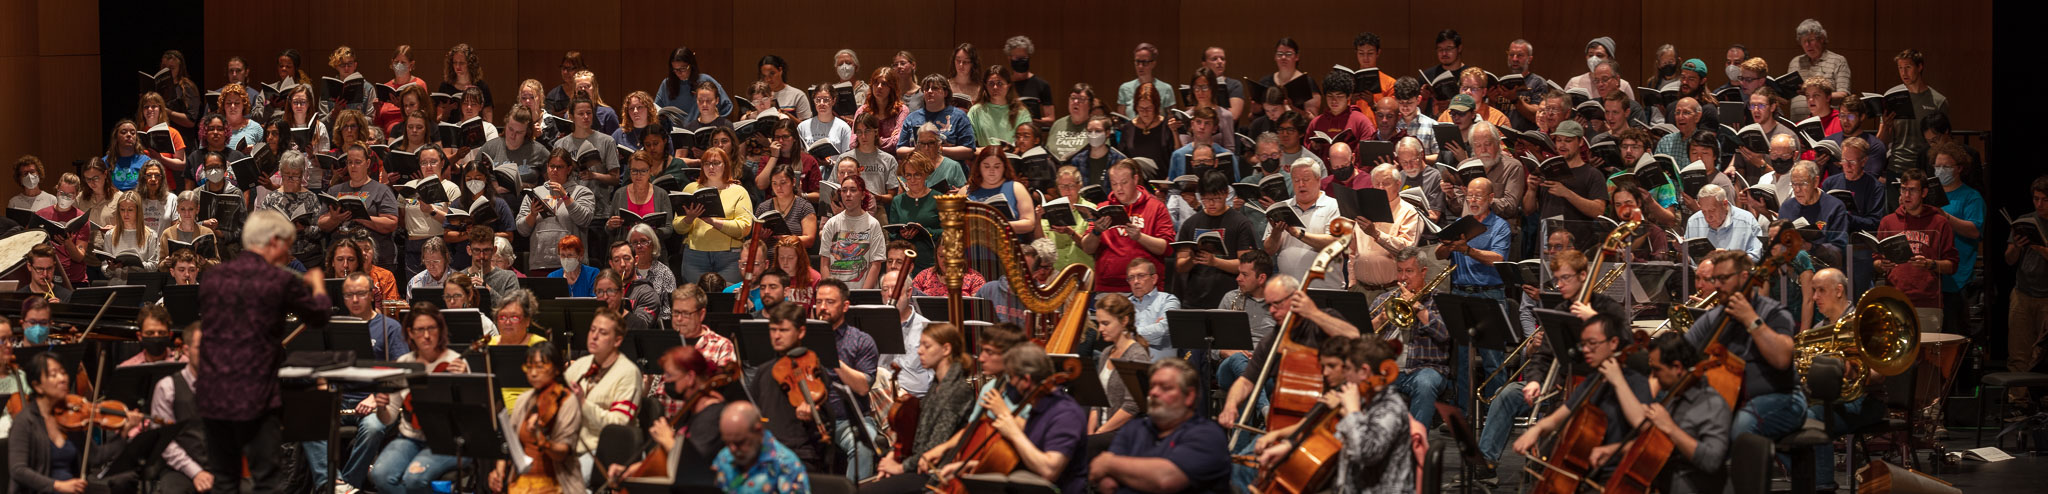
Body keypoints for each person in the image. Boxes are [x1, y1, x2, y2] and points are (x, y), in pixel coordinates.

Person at [199, 209, 330, 493]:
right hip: (255, 395)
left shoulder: (213, 278)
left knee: (223, 480)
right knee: (266, 481)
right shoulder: (279, 280)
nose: (288, 254)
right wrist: (318, 286)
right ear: (273, 241)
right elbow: (319, 316)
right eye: (287, 245)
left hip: (213, 394)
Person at [1510, 310, 1654, 486]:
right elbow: (1558, 417)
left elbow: (1643, 424)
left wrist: (1618, 381)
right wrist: (1537, 429)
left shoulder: (1635, 380)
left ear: (1613, 343)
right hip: (1586, 474)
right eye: (1583, 344)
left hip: (1617, 477)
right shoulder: (1593, 380)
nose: (1585, 350)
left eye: (1592, 344)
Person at [925, 345, 1087, 493]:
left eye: (1011, 377)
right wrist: (969, 466)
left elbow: (1049, 470)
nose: (1008, 386)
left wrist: (1014, 432)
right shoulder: (1038, 407)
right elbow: (1025, 461)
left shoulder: (1066, 414)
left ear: (1026, 380)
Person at [1687, 249, 1802, 440]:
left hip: (1780, 397)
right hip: (1729, 396)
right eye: (1715, 279)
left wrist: (1750, 320)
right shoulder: (1713, 317)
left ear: (1745, 277)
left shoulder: (1774, 312)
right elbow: (1683, 352)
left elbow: (1782, 359)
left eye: (1723, 279)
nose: (1717, 285)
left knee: (1741, 425)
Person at [364, 304, 469, 494]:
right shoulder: (404, 363)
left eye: (431, 328)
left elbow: (469, 415)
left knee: (414, 479)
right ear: (410, 333)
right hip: (410, 438)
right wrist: (381, 407)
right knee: (380, 475)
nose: (426, 336)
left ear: (440, 330)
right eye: (420, 330)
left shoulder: (456, 363)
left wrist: (462, 380)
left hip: (448, 442)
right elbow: (388, 418)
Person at [1089, 357, 1230, 494]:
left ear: (1189, 396)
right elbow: (1105, 481)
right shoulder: (1133, 428)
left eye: (1165, 388)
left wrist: (1109, 463)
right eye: (1152, 386)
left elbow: (1166, 479)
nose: (1154, 393)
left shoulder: (1208, 435)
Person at [9, 352, 144, 494]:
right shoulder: (25, 421)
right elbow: (18, 470)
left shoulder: (71, 415)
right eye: (54, 375)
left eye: (63, 373)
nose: (63, 379)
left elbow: (96, 456)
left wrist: (124, 432)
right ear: (37, 386)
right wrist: (57, 485)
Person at [1628, 332, 1734, 494]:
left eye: (1657, 369)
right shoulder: (1674, 398)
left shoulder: (1713, 405)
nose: (1653, 376)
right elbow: (1655, 446)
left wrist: (1670, 428)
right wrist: (1613, 450)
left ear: (1677, 367)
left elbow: (1712, 461)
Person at [489, 342, 584, 493]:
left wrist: (541, 439)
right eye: (529, 367)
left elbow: (562, 453)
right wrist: (499, 471)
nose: (533, 373)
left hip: (556, 484)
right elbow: (509, 442)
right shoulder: (524, 400)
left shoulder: (567, 401)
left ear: (557, 369)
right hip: (522, 483)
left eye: (540, 367)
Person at [748, 303, 831, 471]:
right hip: (768, 452)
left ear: (801, 332)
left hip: (801, 454)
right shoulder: (763, 371)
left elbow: (828, 421)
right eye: (773, 330)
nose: (776, 336)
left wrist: (811, 417)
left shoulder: (814, 370)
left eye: (783, 330)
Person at [566, 309, 644, 473]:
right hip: (570, 445)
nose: (594, 336)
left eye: (603, 333)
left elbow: (619, 425)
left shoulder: (628, 372)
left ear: (617, 340)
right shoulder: (581, 365)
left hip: (604, 451)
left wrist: (583, 403)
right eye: (592, 330)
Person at [1173, 170, 1259, 309]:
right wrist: (1192, 259)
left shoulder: (1240, 223)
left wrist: (1215, 262)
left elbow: (1247, 265)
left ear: (1226, 193)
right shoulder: (1190, 223)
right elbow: (1180, 266)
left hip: (1228, 299)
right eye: (1206, 199)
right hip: (1194, 298)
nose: (1211, 203)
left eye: (1216, 198)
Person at [1087, 160, 1175, 293]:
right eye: (1114, 184)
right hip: (1109, 287)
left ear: (1135, 179)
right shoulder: (1102, 208)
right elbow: (1088, 248)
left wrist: (1140, 237)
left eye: (1124, 182)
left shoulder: (1156, 207)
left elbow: (1166, 248)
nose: (1119, 188)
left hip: (1146, 288)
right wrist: (1096, 231)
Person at [1874, 169, 1958, 309]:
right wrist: (1881, 265)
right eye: (1903, 189)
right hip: (1895, 300)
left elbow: (1952, 265)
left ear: (1924, 193)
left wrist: (1930, 264)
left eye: (1912, 190)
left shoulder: (1939, 222)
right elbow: (1876, 261)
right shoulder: (1888, 222)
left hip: (1927, 302)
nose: (1907, 195)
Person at [674, 148, 755, 284]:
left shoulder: (739, 191)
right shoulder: (690, 188)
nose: (711, 167)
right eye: (707, 163)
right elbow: (678, 227)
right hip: (695, 254)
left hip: (729, 256)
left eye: (716, 163)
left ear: (725, 165)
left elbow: (744, 228)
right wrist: (689, 218)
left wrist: (713, 221)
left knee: (727, 295)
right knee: (695, 295)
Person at [1260, 158, 1344, 290]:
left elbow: (1336, 243)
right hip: (1288, 290)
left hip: (1324, 289)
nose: (1301, 184)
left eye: (1306, 179)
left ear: (1318, 180)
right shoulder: (1282, 208)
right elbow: (1269, 250)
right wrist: (1276, 232)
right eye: (1296, 180)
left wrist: (1299, 234)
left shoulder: (1334, 205)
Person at [2004, 176, 2048, 408]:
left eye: (2044, 200)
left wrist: (2040, 248)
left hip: (2046, 297)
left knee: (2043, 354)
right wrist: (2017, 246)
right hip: (2022, 293)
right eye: (2036, 199)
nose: (2039, 204)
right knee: (2018, 352)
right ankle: (2018, 401)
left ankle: (2042, 401)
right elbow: (2009, 259)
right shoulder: (2026, 220)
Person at [518, 148, 597, 274]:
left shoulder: (582, 192)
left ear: (569, 169)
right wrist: (532, 215)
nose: (554, 170)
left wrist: (565, 196)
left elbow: (584, 220)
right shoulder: (535, 193)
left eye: (559, 167)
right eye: (552, 166)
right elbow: (522, 230)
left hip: (572, 262)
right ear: (547, 167)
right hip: (540, 263)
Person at [1091, 295, 1158, 437]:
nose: (1100, 329)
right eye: (1099, 323)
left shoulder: (1136, 355)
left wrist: (1098, 434)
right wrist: (1090, 433)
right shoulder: (1106, 352)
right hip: (1102, 431)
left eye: (1105, 323)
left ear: (1124, 321)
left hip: (1123, 434)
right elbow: (1096, 403)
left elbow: (1132, 406)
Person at [714, 401, 809, 493]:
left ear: (758, 430)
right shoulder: (724, 457)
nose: (732, 449)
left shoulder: (786, 464)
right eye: (727, 443)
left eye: (740, 442)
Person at [893, 75, 974, 162]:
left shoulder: (959, 116)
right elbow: (900, 151)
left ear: (945, 93)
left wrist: (939, 149)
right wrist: (921, 149)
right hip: (919, 167)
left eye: (935, 88)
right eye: (926, 89)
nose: (929, 91)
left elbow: (969, 151)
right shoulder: (912, 117)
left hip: (949, 167)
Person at [1685, 184, 1764, 260]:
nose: (1708, 217)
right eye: (1703, 211)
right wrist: (1682, 251)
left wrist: (1729, 259)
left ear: (1724, 204)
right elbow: (1689, 259)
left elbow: (1756, 256)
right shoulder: (1694, 221)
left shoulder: (1746, 220)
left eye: (1712, 210)